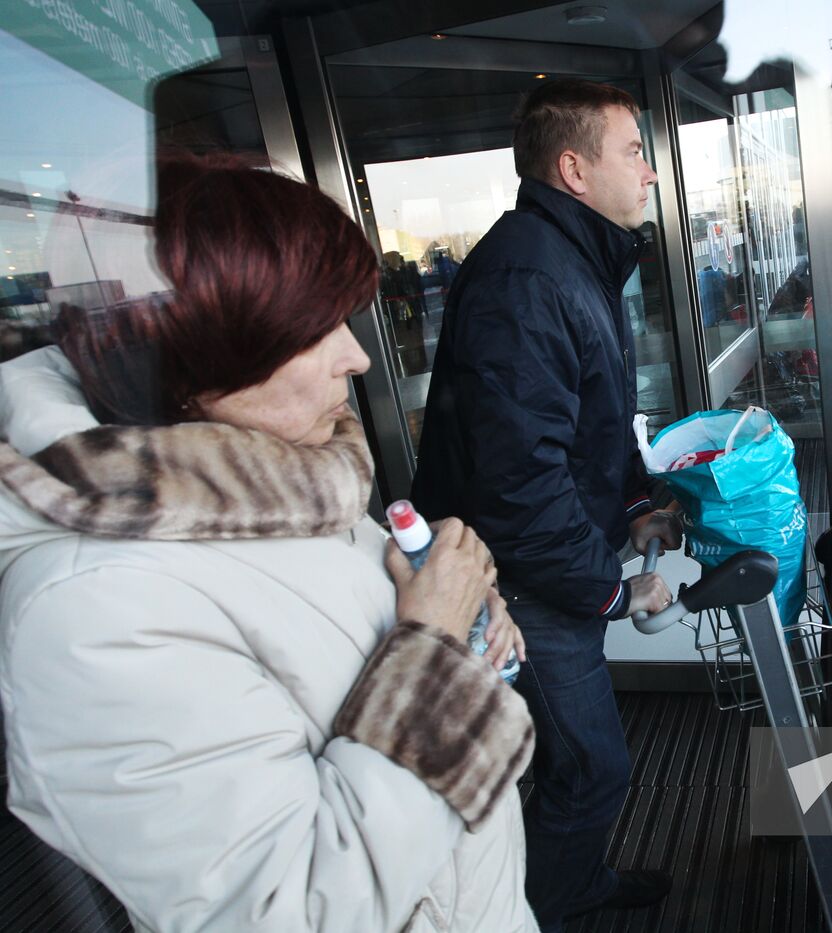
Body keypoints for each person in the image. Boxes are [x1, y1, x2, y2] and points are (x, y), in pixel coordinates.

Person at [0, 153, 538, 930]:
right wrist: (434, 642)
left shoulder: (269, 481)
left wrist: (459, 627)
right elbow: (290, 909)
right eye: (312, 331)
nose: (354, 357)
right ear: (193, 363)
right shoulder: (87, 610)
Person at [410, 79, 681, 931]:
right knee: (590, 768)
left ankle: (570, 887)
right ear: (573, 168)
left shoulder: (571, 258)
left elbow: (586, 422)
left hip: (543, 566)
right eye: (633, 150)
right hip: (520, 579)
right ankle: (547, 908)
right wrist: (614, 589)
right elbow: (519, 489)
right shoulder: (528, 279)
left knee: (569, 762)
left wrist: (634, 501)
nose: (648, 172)